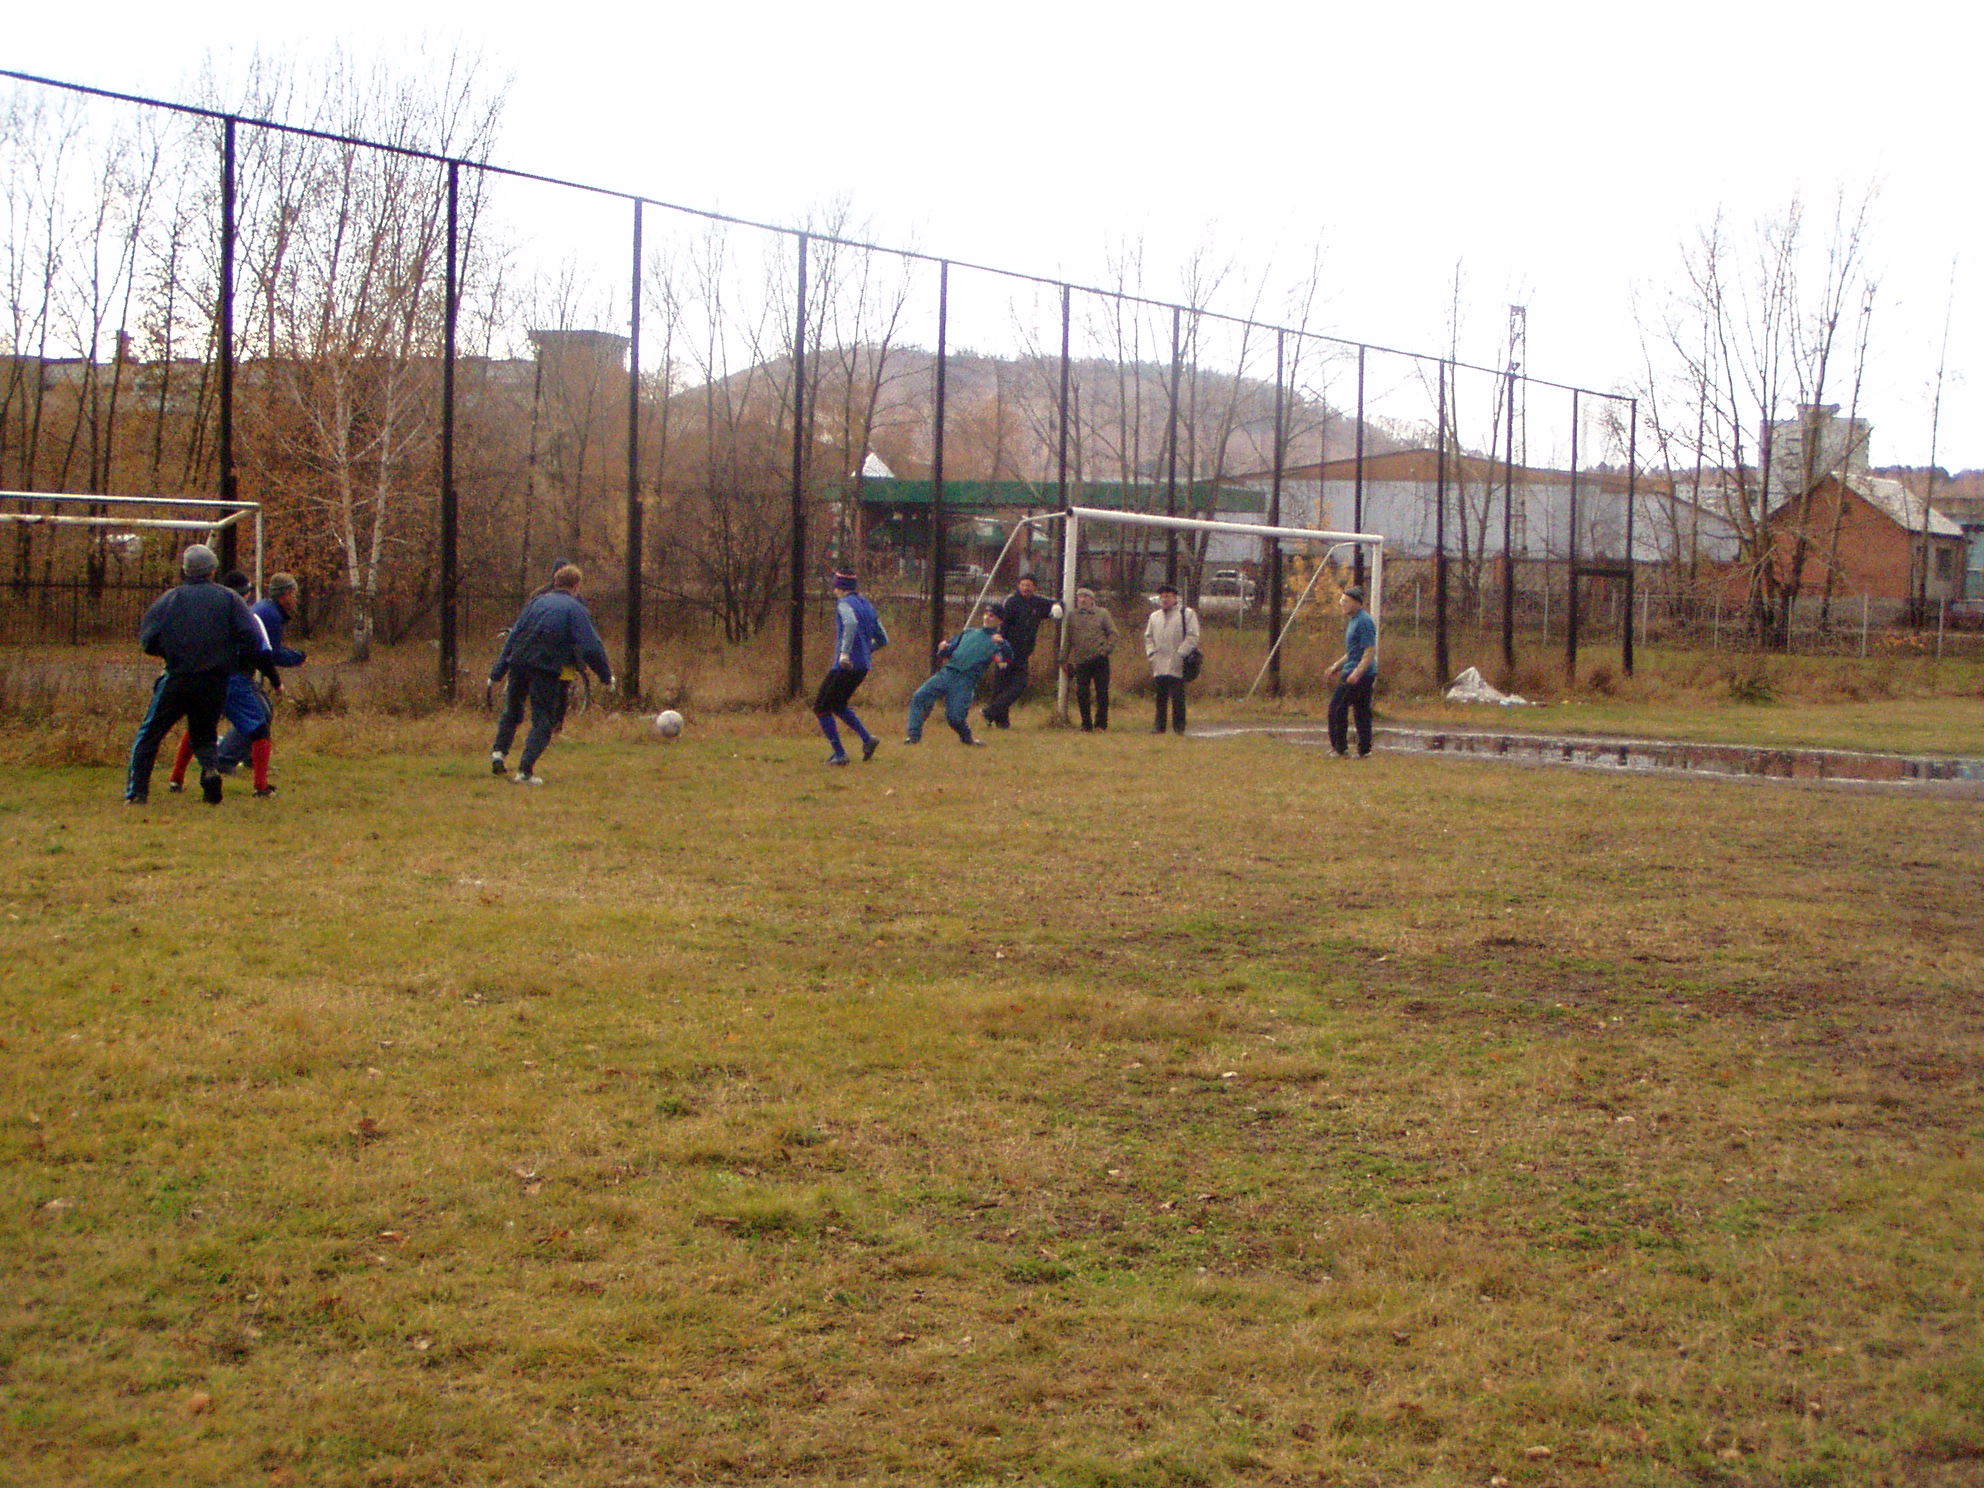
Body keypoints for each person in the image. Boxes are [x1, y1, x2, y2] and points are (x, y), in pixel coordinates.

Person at [125, 543, 266, 806]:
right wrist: (234, 664)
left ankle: (137, 792)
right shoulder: (229, 599)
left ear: (185, 570)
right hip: (215, 680)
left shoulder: (170, 599)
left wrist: (170, 653)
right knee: (204, 733)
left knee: (150, 733)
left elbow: (148, 639)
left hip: (178, 677)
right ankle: (210, 771)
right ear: (213, 570)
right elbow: (251, 638)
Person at [488, 563, 614, 785]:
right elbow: (591, 646)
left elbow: (515, 635)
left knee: (513, 710)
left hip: (518, 661)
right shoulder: (575, 608)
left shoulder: (536, 602)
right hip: (545, 666)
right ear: (577, 585)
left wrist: (498, 671)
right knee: (543, 721)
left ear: (555, 582)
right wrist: (605, 675)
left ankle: (498, 753)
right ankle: (525, 772)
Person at [165, 571, 286, 798]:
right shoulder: (250, 618)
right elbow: (262, 654)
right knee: (259, 728)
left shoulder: (207, 617)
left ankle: (176, 779)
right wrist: (276, 682)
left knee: (199, 727)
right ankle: (261, 787)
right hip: (236, 681)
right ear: (246, 594)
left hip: (205, 676)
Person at [906, 602, 1011, 746]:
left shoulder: (997, 642)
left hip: (966, 681)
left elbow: (1005, 659)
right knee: (919, 697)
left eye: (992, 616)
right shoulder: (968, 633)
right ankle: (913, 737)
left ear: (1000, 620)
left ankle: (967, 738)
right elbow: (947, 652)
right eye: (986, 614)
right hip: (948, 672)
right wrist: (943, 649)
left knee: (955, 718)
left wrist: (1003, 645)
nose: (987, 618)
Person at [815, 568, 889, 766]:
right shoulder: (868, 606)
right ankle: (867, 739)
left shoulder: (844, 604)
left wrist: (845, 654)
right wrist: (865, 650)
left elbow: (850, 624)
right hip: (862, 666)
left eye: (835, 585)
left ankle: (840, 754)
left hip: (845, 665)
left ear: (840, 587)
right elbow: (883, 639)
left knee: (821, 707)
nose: (833, 590)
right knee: (838, 704)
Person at [980, 572, 1059, 729]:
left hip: (1023, 652)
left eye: (1029, 585)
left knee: (1019, 685)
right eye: (1023, 585)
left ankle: (991, 712)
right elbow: (1001, 622)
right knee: (1002, 685)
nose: (1025, 588)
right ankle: (999, 721)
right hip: (1006, 650)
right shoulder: (1011, 602)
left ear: (1034, 587)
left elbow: (1056, 603)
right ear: (1019, 586)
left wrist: (1057, 606)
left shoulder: (1037, 603)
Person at [1324, 584, 1379, 758]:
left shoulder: (1364, 621)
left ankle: (1340, 748)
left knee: (1337, 708)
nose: (1342, 604)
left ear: (1357, 603)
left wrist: (1357, 672)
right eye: (1342, 600)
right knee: (1361, 711)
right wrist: (1336, 666)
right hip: (1355, 670)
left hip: (1359, 674)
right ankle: (1365, 750)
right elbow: (1354, 651)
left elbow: (1369, 651)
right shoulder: (1354, 621)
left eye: (1346, 601)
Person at [1143, 583, 1200, 735]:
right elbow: (1148, 637)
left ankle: (1179, 727)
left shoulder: (1186, 614)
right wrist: (1151, 654)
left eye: (1167, 596)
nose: (1164, 599)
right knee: (1160, 697)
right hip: (1159, 662)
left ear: (1175, 598)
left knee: (1177, 697)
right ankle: (1159, 726)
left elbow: (1193, 636)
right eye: (1162, 597)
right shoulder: (1154, 617)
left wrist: (1181, 654)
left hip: (1177, 662)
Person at [1061, 587, 1118, 731]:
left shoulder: (1102, 613)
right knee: (1082, 692)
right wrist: (1063, 659)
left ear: (1092, 599)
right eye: (1080, 597)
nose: (1083, 600)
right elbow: (1068, 639)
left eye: (1086, 597)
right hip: (1081, 660)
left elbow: (1113, 633)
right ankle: (1086, 723)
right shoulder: (1072, 616)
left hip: (1100, 659)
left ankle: (1101, 724)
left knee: (1102, 692)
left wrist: (1106, 650)